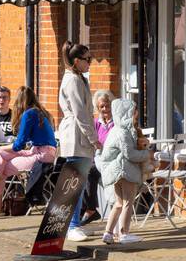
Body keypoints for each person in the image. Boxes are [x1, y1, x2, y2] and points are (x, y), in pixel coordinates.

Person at [0, 87, 57, 216]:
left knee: (2, 164)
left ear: (19, 101)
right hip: (38, 151)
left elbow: (19, 145)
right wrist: (0, 150)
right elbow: (24, 142)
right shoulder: (39, 112)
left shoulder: (29, 114)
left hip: (42, 155)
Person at [57, 42, 99, 242]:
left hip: (79, 136)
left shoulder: (79, 78)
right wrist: (94, 138)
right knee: (74, 184)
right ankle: (71, 226)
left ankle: (74, 224)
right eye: (87, 59)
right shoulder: (73, 80)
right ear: (76, 61)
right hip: (76, 136)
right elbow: (81, 114)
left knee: (78, 183)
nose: (90, 62)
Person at [99, 98, 151, 246]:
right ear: (126, 113)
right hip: (124, 171)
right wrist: (147, 154)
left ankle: (108, 233)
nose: (136, 114)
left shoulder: (117, 130)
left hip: (117, 172)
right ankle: (124, 233)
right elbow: (130, 155)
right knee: (128, 202)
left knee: (119, 203)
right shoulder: (122, 133)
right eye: (133, 111)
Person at [78, 89, 114, 225]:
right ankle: (85, 210)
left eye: (107, 105)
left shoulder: (116, 124)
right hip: (97, 161)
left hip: (111, 163)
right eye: (101, 107)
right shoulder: (95, 123)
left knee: (89, 171)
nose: (105, 109)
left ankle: (90, 210)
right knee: (79, 171)